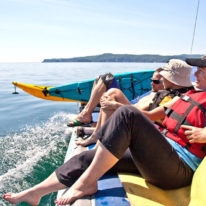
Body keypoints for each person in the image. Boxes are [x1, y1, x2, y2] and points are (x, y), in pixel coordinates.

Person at [3, 56, 206, 206]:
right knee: (86, 158)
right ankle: (35, 193)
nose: (195, 73)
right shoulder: (188, 96)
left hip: (177, 170)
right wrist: (116, 115)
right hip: (157, 155)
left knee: (127, 114)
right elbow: (149, 117)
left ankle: (86, 183)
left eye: (201, 71)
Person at [76, 59, 193, 146]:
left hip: (141, 122)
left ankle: (98, 138)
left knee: (112, 92)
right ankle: (96, 134)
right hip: (137, 115)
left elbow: (150, 116)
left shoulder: (175, 98)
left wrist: (116, 106)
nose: (157, 81)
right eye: (152, 80)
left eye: (159, 79)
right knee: (109, 90)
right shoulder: (163, 94)